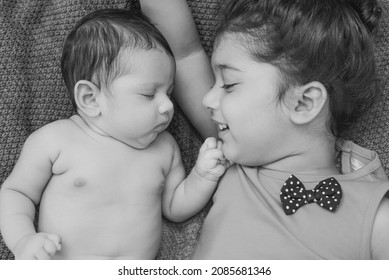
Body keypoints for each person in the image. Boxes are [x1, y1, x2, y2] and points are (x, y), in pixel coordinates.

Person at [141, 0, 389, 259]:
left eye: (229, 84)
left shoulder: (376, 218)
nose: (208, 99)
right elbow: (183, 53)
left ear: (303, 102)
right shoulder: (228, 156)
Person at [0, 9, 227, 260]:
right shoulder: (55, 141)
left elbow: (174, 207)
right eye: (149, 94)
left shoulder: (165, 149)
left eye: (169, 93)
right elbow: (16, 193)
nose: (168, 106)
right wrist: (23, 240)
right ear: (90, 98)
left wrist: (203, 176)